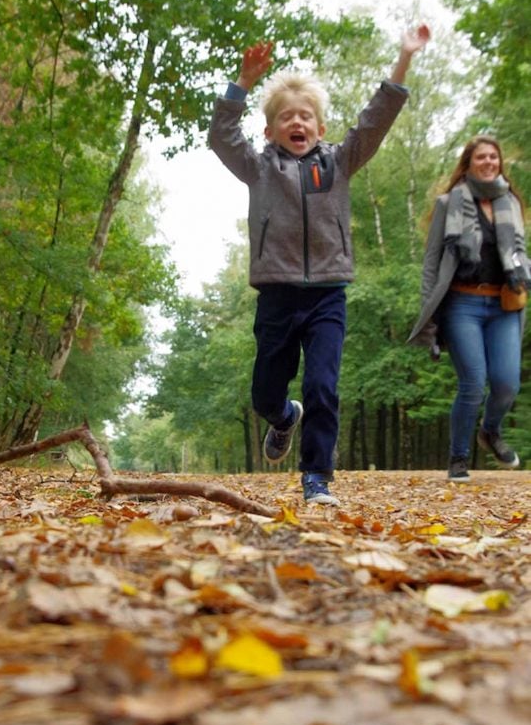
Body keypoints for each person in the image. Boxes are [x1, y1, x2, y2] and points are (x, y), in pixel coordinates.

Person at [208, 25, 430, 505]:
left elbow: (375, 121)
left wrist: (404, 61)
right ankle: (284, 416)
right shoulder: (259, 166)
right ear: (270, 130)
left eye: (306, 116)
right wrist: (243, 82)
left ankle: (317, 479)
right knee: (265, 393)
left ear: (320, 128)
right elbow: (222, 137)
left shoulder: (339, 163)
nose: (297, 122)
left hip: (328, 292)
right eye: (287, 117)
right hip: (277, 294)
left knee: (324, 384)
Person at [408, 135, 530, 481]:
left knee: (507, 384)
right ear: (469, 163)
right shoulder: (450, 203)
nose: (489, 162)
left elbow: (517, 254)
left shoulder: (511, 202)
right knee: (473, 382)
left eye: (494, 157)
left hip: (504, 303)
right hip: (462, 303)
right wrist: (428, 312)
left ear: (499, 162)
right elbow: (432, 261)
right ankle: (459, 458)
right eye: (482, 157)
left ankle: (490, 431)